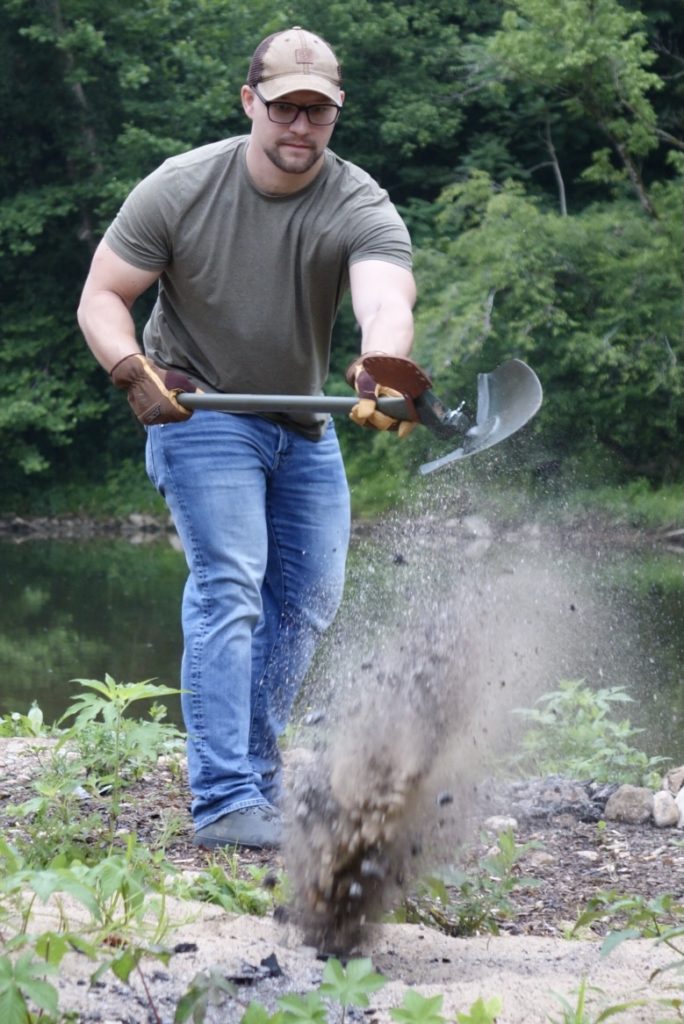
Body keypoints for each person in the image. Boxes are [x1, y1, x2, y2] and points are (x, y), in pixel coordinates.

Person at [77, 25, 424, 851]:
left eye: (318, 112)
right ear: (250, 103)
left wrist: (383, 363)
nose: (301, 128)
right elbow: (101, 294)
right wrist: (132, 369)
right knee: (231, 584)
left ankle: (258, 777)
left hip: (303, 423)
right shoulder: (181, 187)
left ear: (336, 114)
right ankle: (225, 797)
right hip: (202, 414)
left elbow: (387, 295)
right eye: (284, 109)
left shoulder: (357, 199)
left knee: (307, 601)